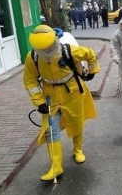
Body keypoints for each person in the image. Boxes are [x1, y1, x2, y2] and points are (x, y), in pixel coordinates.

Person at [23, 25, 100, 181]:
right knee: (50, 129)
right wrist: (38, 102)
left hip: (72, 93)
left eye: (48, 47)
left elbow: (90, 54)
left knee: (77, 122)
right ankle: (56, 166)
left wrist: (92, 71)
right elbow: (30, 80)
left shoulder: (69, 51)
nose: (45, 51)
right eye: (41, 49)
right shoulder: (33, 57)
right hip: (50, 96)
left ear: (54, 41)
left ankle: (78, 150)